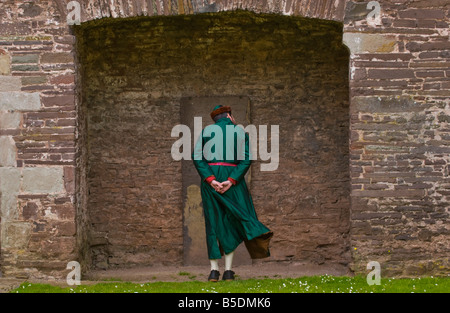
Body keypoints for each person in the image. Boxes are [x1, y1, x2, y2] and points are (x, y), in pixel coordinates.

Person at [192, 105, 273, 282]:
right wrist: (231, 180)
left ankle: (214, 271)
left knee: (212, 222)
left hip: (210, 179)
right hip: (233, 179)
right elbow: (246, 159)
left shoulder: (206, 131)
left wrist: (211, 179)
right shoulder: (240, 132)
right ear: (229, 116)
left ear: (216, 119)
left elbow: (197, 156)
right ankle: (228, 271)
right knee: (232, 222)